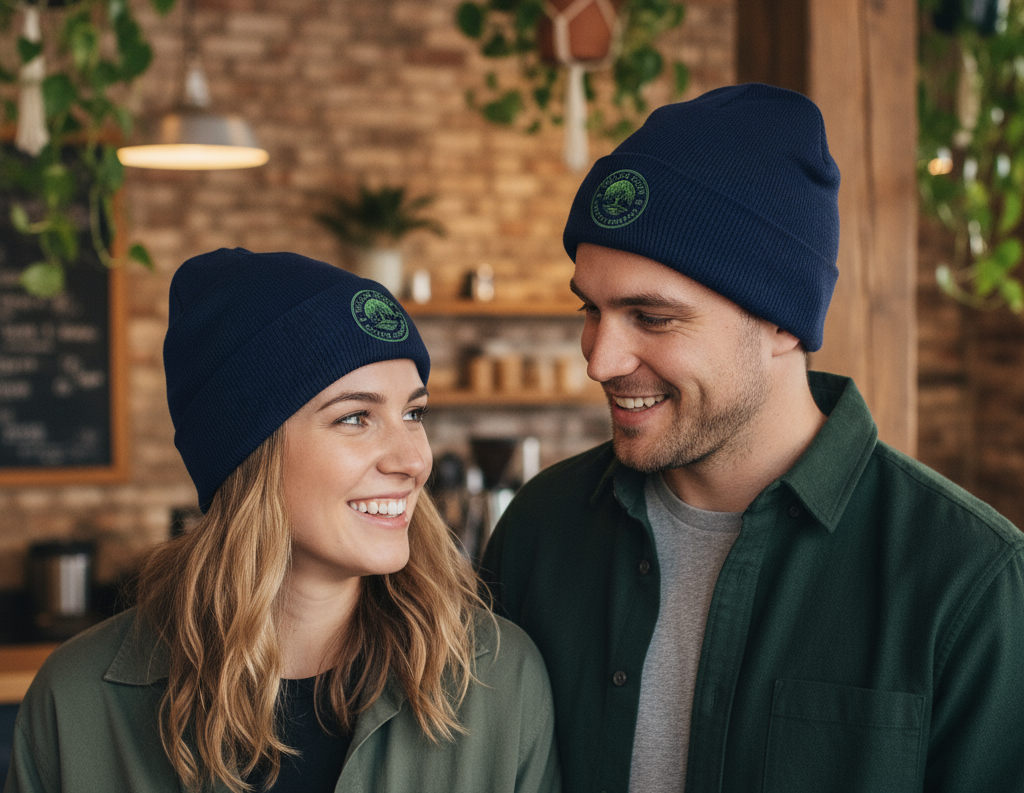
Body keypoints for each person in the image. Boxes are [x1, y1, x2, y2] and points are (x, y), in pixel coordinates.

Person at [482, 83, 1024, 793]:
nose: (600, 360)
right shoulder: (541, 528)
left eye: (652, 317)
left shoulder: (967, 579)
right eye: (591, 310)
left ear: (782, 322)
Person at [7, 249, 560, 793]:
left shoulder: (498, 682)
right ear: (249, 455)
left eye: (414, 413)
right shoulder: (75, 705)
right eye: (355, 417)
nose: (414, 460)